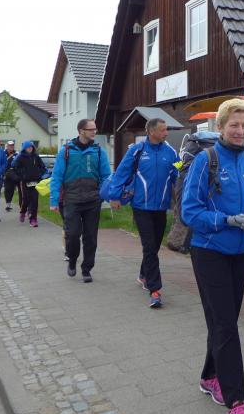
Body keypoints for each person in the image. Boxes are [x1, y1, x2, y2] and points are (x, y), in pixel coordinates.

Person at [181, 99, 244, 414]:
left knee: (223, 321)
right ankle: (236, 402)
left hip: (242, 252)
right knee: (226, 326)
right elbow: (189, 212)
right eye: (234, 124)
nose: (241, 130)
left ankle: (209, 377)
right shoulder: (206, 160)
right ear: (220, 127)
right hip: (210, 251)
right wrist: (227, 220)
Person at [108, 118, 179, 308]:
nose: (166, 133)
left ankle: (143, 274)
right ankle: (154, 289)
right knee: (149, 246)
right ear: (151, 132)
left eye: (166, 129)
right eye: (163, 130)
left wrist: (185, 194)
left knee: (153, 246)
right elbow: (121, 173)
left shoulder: (171, 152)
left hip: (161, 207)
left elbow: (178, 175)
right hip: (141, 207)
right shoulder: (136, 151)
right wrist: (114, 196)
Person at [49, 119, 111, 283]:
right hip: (71, 200)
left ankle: (86, 269)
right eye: (91, 129)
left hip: (93, 201)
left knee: (91, 237)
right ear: (81, 131)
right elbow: (57, 177)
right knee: (73, 234)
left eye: (95, 129)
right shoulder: (66, 151)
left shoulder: (99, 151)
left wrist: (105, 195)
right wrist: (54, 200)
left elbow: (106, 176)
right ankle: (72, 259)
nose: (94, 132)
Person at [14, 141, 46, 227]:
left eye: (31, 147)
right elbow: (16, 168)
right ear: (25, 148)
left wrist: (39, 174)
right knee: (26, 199)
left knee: (35, 200)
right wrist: (23, 175)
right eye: (28, 147)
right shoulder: (21, 157)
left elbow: (43, 167)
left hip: (35, 181)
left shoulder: (36, 156)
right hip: (25, 182)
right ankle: (23, 212)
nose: (30, 148)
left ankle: (33, 219)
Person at [3, 140, 21, 212]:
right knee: (8, 190)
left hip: (16, 174)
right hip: (7, 174)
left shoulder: (17, 154)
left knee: (19, 189)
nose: (11, 147)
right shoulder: (3, 153)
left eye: (12, 146)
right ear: (7, 146)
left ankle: (21, 205)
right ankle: (8, 205)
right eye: (10, 146)